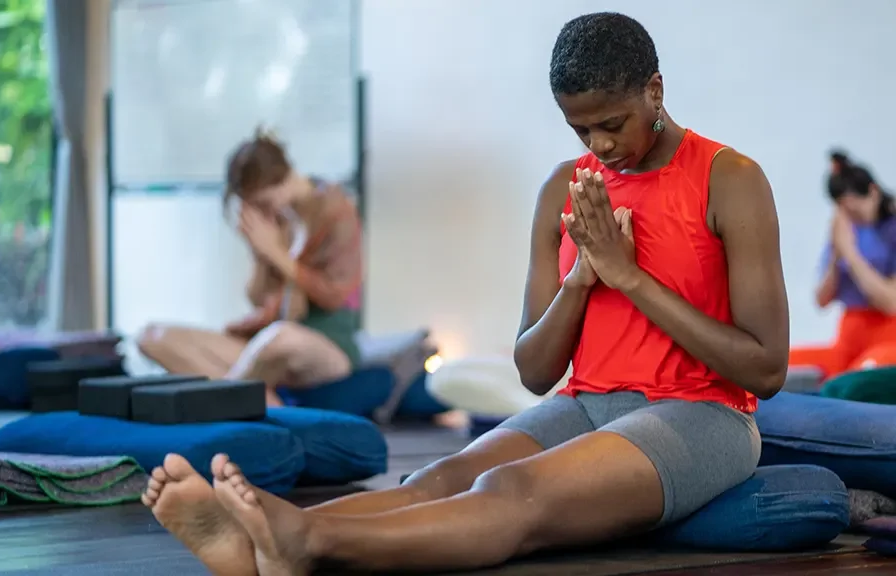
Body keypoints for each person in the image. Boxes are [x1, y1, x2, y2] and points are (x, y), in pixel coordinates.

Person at [141, 12, 789, 575]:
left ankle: (305, 540)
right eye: (580, 129)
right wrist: (581, 281)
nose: (599, 145)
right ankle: (260, 546)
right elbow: (535, 371)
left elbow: (765, 369)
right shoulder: (564, 189)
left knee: (510, 489)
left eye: (612, 123)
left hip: (704, 416)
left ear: (655, 91)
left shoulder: (730, 179)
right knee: (441, 478)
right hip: (588, 404)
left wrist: (630, 279)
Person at [137, 130, 363, 406]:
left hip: (326, 345)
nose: (261, 210)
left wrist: (276, 254)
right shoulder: (278, 217)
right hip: (268, 342)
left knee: (280, 338)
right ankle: (262, 402)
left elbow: (334, 296)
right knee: (153, 337)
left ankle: (227, 401)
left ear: (282, 180)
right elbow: (257, 298)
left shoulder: (336, 211)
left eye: (263, 202)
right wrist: (259, 252)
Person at [789, 152, 896, 378]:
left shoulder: (891, 228)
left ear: (873, 192)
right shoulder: (845, 231)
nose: (854, 217)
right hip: (850, 336)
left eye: (856, 209)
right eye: (846, 211)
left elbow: (891, 302)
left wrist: (850, 253)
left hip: (888, 336)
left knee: (860, 375)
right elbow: (822, 300)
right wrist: (836, 255)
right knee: (782, 364)